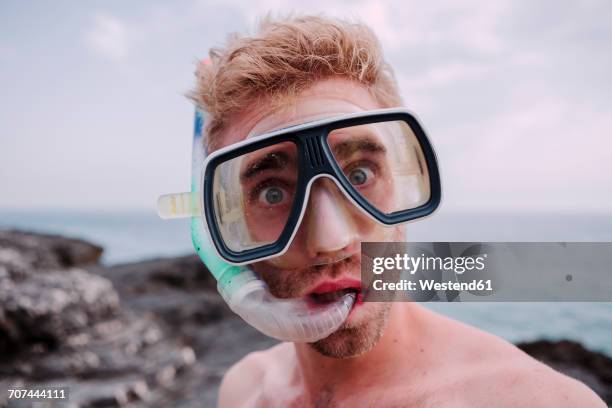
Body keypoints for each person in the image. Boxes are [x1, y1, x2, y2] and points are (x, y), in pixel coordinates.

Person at [189, 15, 605, 408]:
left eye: (360, 174)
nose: (332, 241)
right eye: (273, 194)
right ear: (219, 229)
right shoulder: (244, 389)